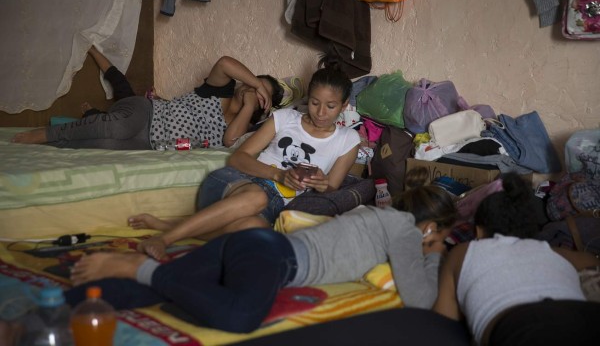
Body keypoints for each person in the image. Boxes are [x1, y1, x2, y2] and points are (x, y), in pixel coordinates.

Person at [66, 172, 458, 334]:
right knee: (240, 317)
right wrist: (436, 254)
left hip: (253, 246)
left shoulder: (376, 215)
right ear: (429, 227)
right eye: (439, 234)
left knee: (158, 292)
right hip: (274, 258)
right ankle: (141, 267)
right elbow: (421, 300)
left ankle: (50, 309)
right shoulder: (404, 230)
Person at [126, 54, 363, 260]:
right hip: (237, 181)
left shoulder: (348, 140)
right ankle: (165, 240)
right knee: (256, 196)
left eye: (330, 106)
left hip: (273, 205)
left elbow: (332, 187)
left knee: (255, 229)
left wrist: (322, 184)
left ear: (343, 106)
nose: (320, 112)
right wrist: (278, 175)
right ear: (308, 98)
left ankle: (171, 226)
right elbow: (237, 158)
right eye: (314, 103)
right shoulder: (285, 118)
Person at [433, 173, 600, 345]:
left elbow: (440, 328)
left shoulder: (463, 252)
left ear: (479, 231)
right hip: (585, 316)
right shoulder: (556, 252)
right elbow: (591, 261)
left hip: (521, 327)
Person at [11, 46, 284, 149]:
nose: (254, 91)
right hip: (147, 113)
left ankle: (76, 128)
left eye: (262, 94)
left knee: (99, 144)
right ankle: (45, 133)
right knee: (116, 126)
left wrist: (250, 106)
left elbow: (229, 140)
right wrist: (256, 84)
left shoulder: (242, 127)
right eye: (255, 84)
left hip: (150, 143)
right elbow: (224, 62)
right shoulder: (220, 90)